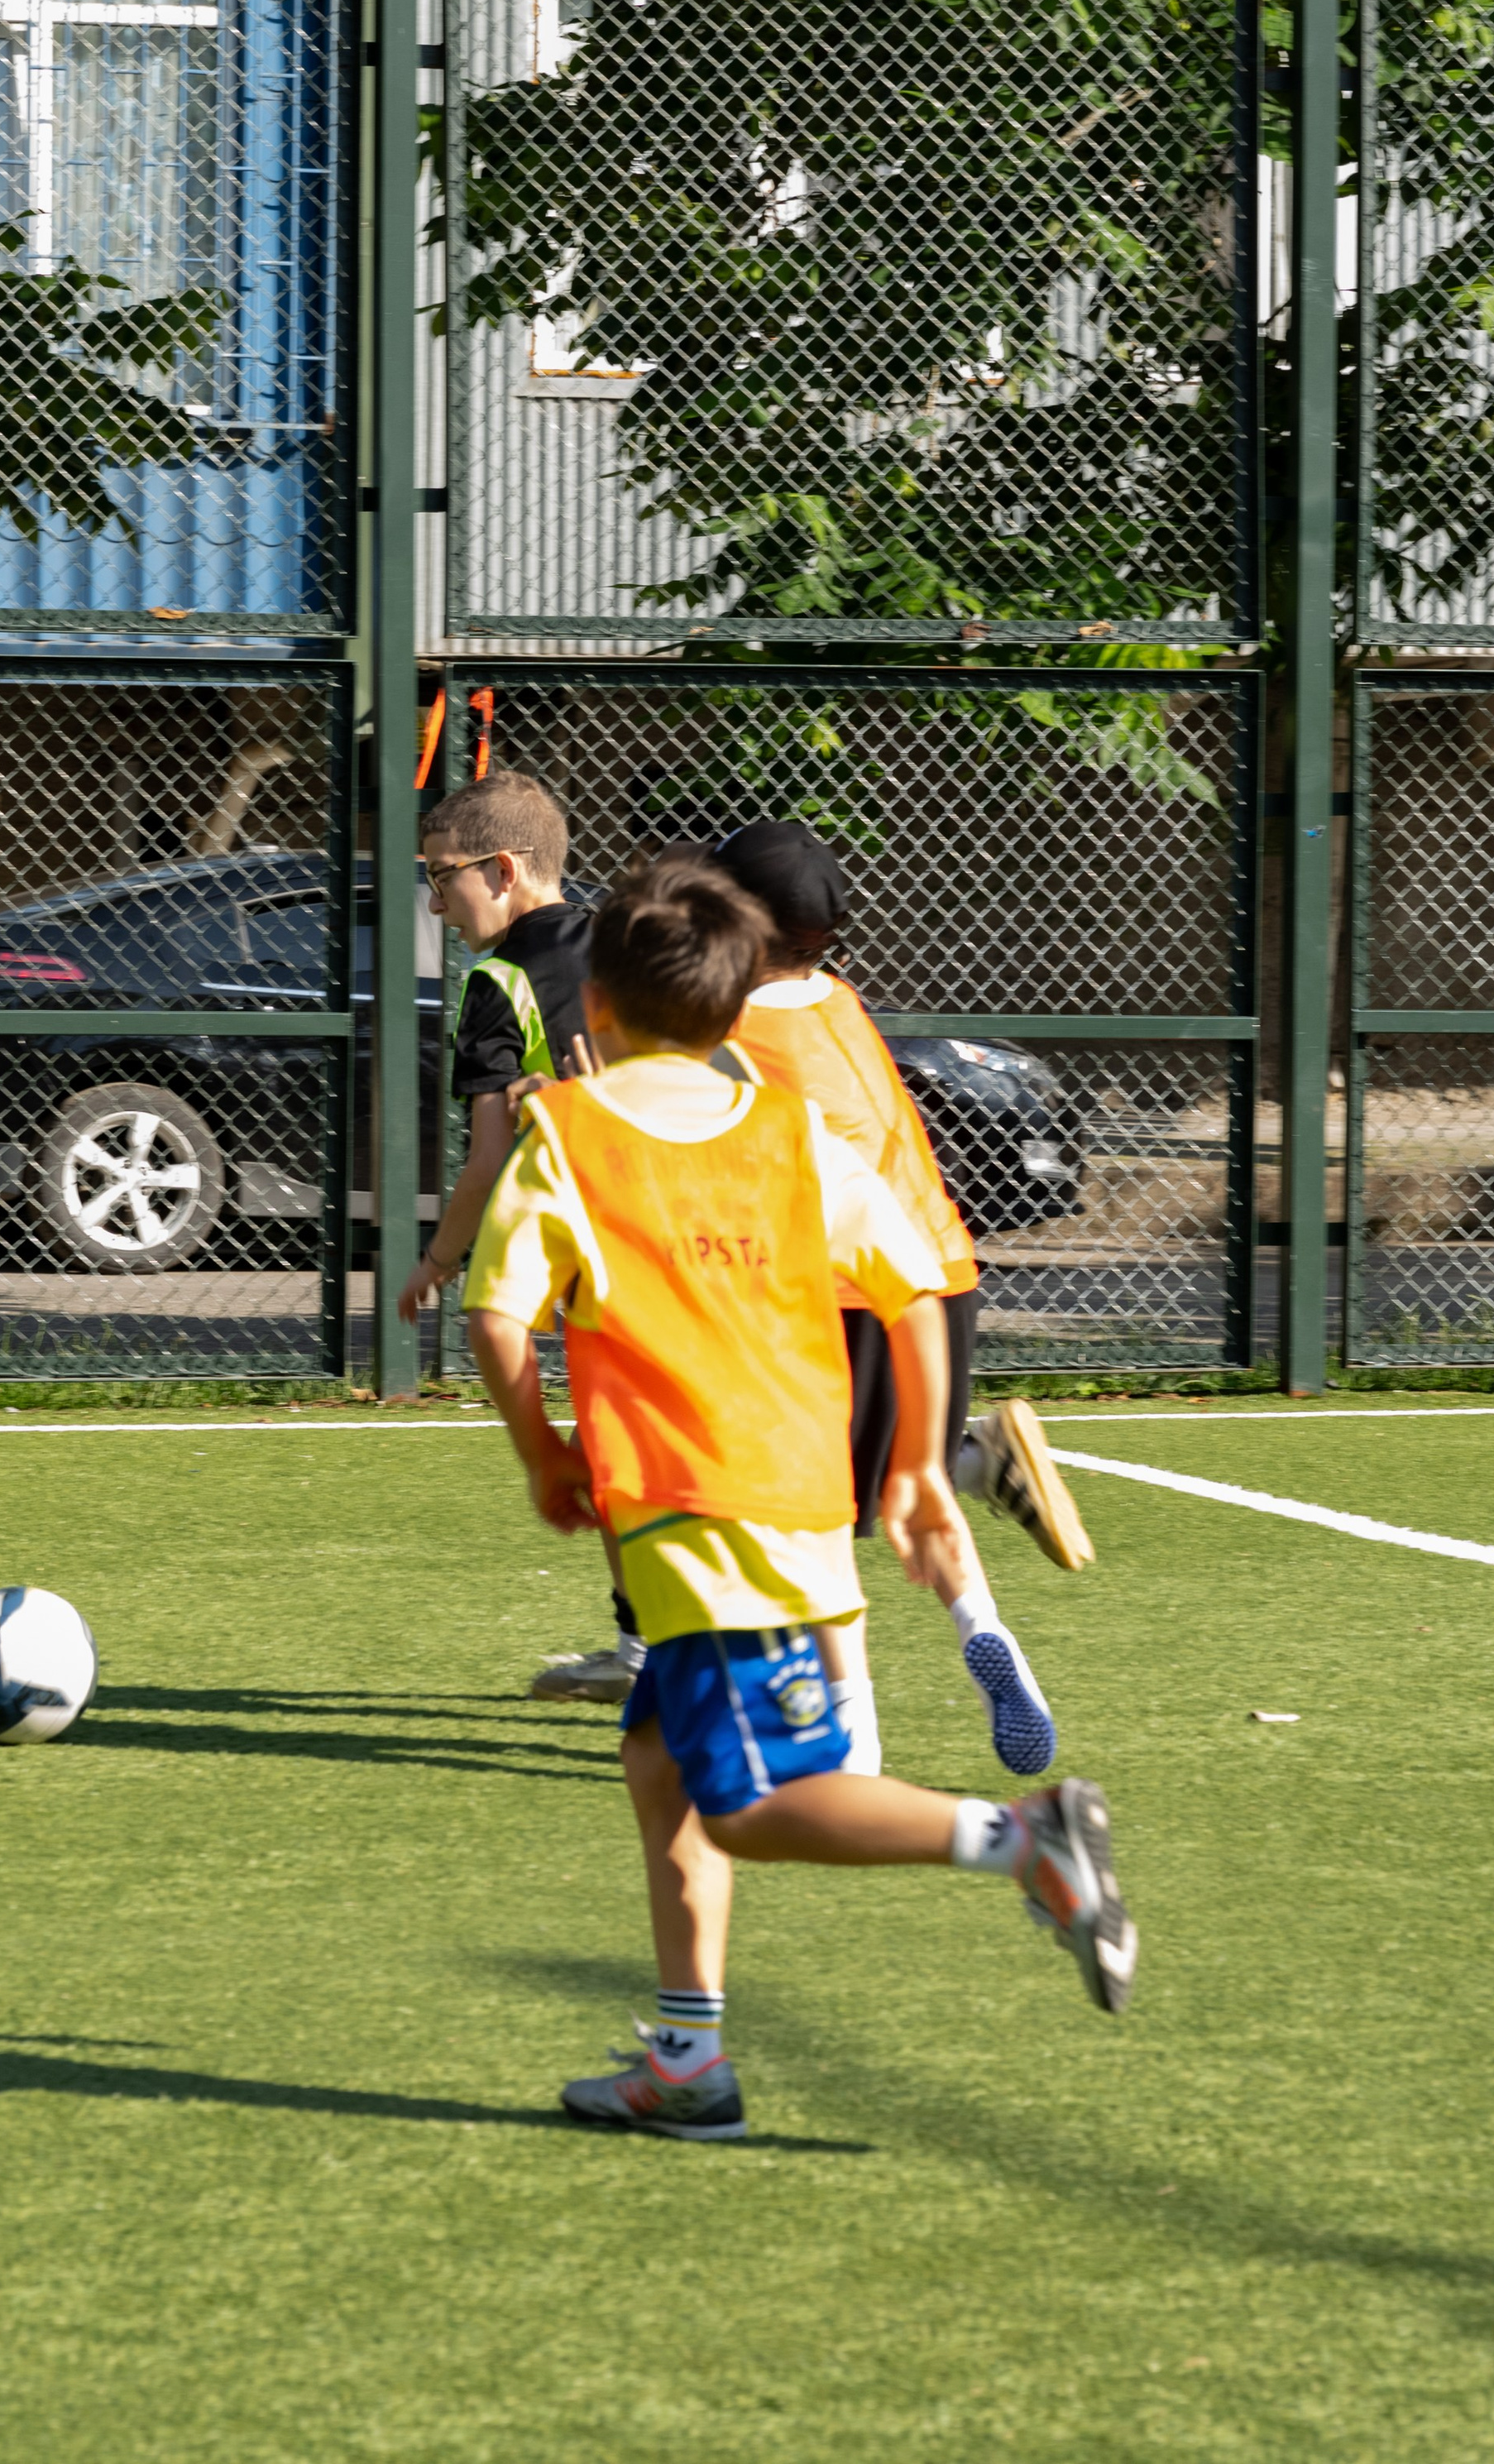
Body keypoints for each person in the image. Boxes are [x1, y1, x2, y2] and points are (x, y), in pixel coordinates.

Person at [461, 855, 1137, 2142]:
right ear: (735, 1011)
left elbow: (499, 1320)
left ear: (591, 1005)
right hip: (788, 1495)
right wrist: (925, 1463)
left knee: (753, 1806)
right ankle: (686, 2061)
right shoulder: (789, 1134)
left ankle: (1028, 1841)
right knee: (659, 1764)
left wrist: (543, 1451)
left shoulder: (569, 1137)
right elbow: (915, 1281)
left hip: (704, 1520)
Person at [712, 818, 1093, 1783]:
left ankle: (853, 1735)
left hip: (835, 1294)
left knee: (811, 1524)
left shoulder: (730, 1028)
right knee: (910, 1487)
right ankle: (983, 1625)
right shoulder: (840, 1001)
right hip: (940, 1274)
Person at [394, 768, 640, 1705]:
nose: (434, 901)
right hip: (706, 1223)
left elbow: (487, 1163)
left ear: (501, 872)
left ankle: (655, 1656)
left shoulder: (496, 984)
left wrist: (437, 1261)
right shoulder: (632, 941)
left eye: (441, 875)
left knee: (615, 1446)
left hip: (602, 1249)